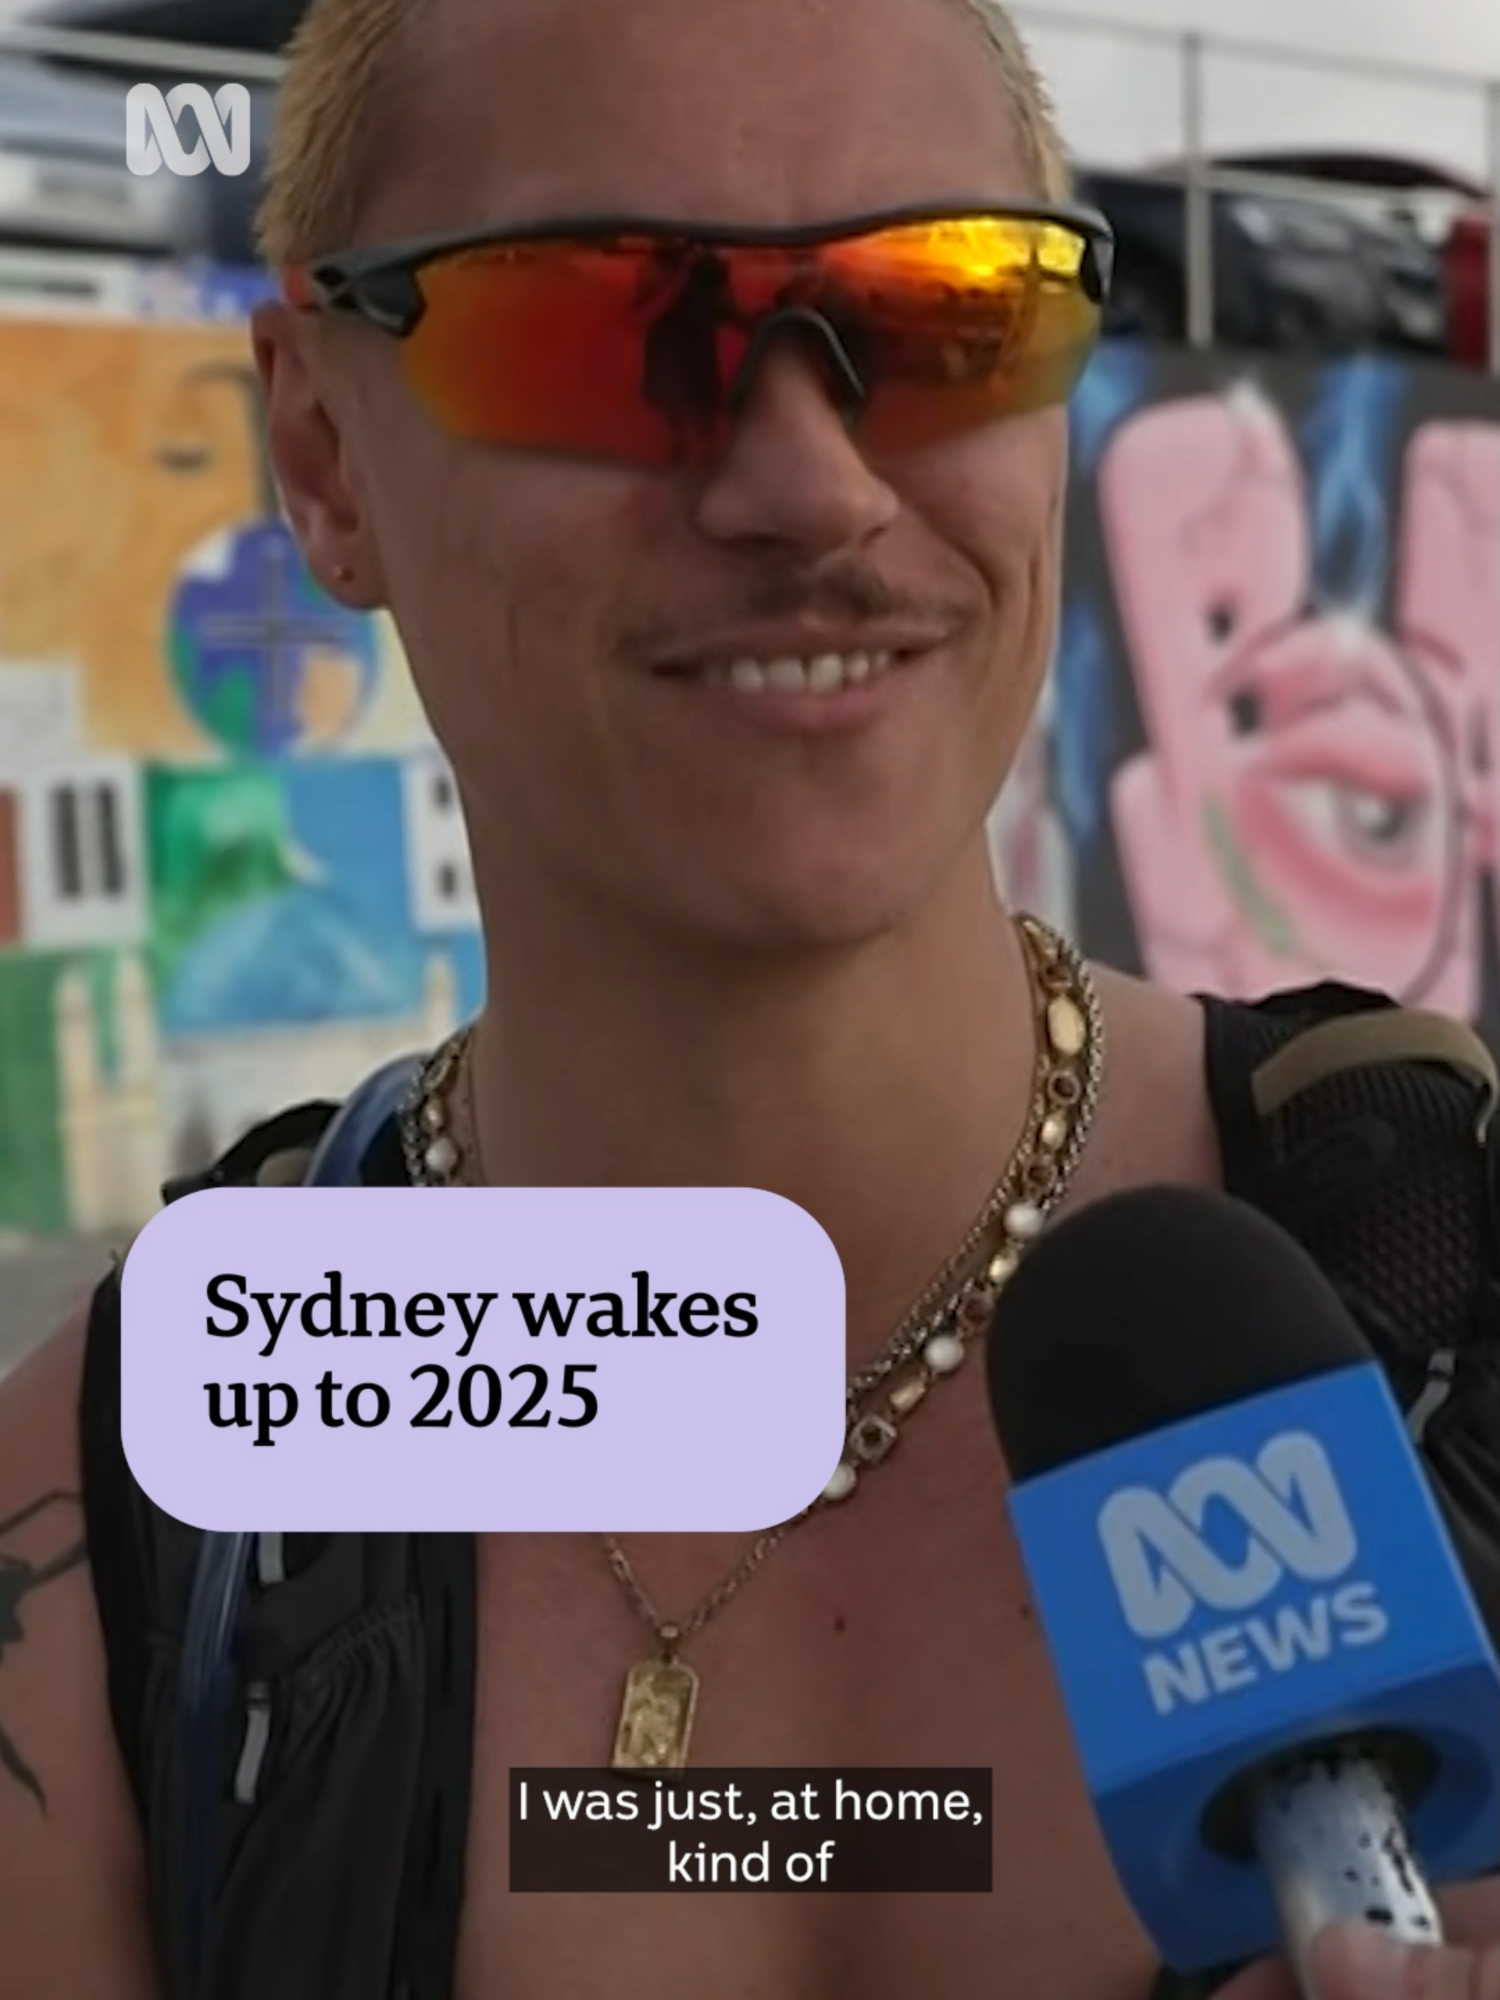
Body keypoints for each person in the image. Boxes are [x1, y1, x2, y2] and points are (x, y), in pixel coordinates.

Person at [0, 0, 1496, 1995]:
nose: (809, 484)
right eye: (606, 325)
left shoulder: (1449, 1283)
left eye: (949, 309)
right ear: (318, 448)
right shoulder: (122, 1531)